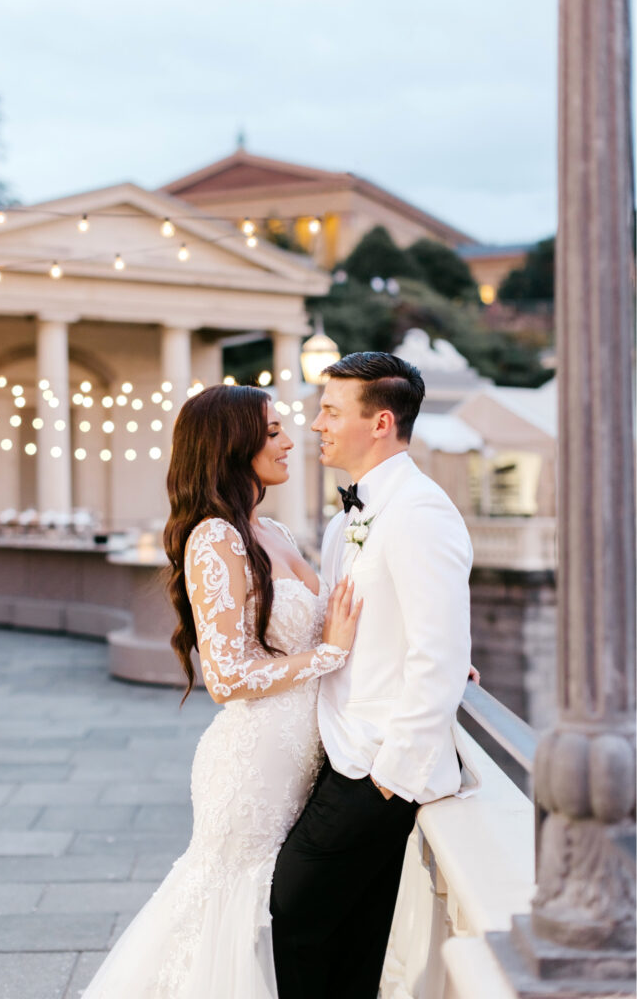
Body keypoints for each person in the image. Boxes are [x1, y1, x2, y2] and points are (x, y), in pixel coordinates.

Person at [81, 383, 362, 999]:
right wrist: (329, 654)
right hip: (255, 761)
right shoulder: (215, 538)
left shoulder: (279, 534)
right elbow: (226, 676)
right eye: (272, 432)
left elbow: (338, 619)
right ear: (231, 446)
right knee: (228, 913)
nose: (291, 440)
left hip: (301, 752)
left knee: (263, 922)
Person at [270, 351, 481, 999]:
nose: (315, 424)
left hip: (373, 773)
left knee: (294, 914)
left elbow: (437, 655)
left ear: (381, 422)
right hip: (337, 752)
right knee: (350, 940)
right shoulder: (344, 521)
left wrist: (390, 781)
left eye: (330, 410)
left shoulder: (420, 513)